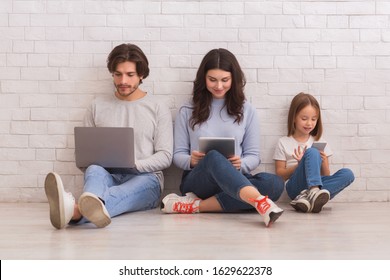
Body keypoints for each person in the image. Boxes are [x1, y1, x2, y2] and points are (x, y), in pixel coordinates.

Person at [44, 43, 173, 229]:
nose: (123, 81)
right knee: (94, 169)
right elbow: (84, 158)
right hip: (107, 176)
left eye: (130, 75)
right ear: (112, 73)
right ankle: (83, 207)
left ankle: (73, 210)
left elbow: (165, 155)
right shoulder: (97, 106)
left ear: (141, 75)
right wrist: (95, 164)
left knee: (119, 192)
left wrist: (135, 165)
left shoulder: (157, 107)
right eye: (118, 74)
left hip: (145, 179)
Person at [160, 48, 284, 227]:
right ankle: (259, 201)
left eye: (224, 80)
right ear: (204, 79)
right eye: (212, 80)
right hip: (199, 181)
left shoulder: (247, 110)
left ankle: (194, 206)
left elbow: (254, 155)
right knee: (213, 156)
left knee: (275, 183)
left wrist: (241, 163)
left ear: (233, 80)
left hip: (236, 177)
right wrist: (191, 161)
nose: (218, 86)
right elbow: (177, 154)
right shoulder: (187, 110)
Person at [273, 92, 354, 213]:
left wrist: (324, 161)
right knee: (311, 152)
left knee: (348, 174)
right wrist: (299, 165)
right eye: (304, 119)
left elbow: (326, 175)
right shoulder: (283, 142)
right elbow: (280, 176)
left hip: (315, 186)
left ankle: (309, 198)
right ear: (294, 117)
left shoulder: (320, 141)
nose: (309, 123)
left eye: (314, 119)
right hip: (295, 188)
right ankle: (314, 193)